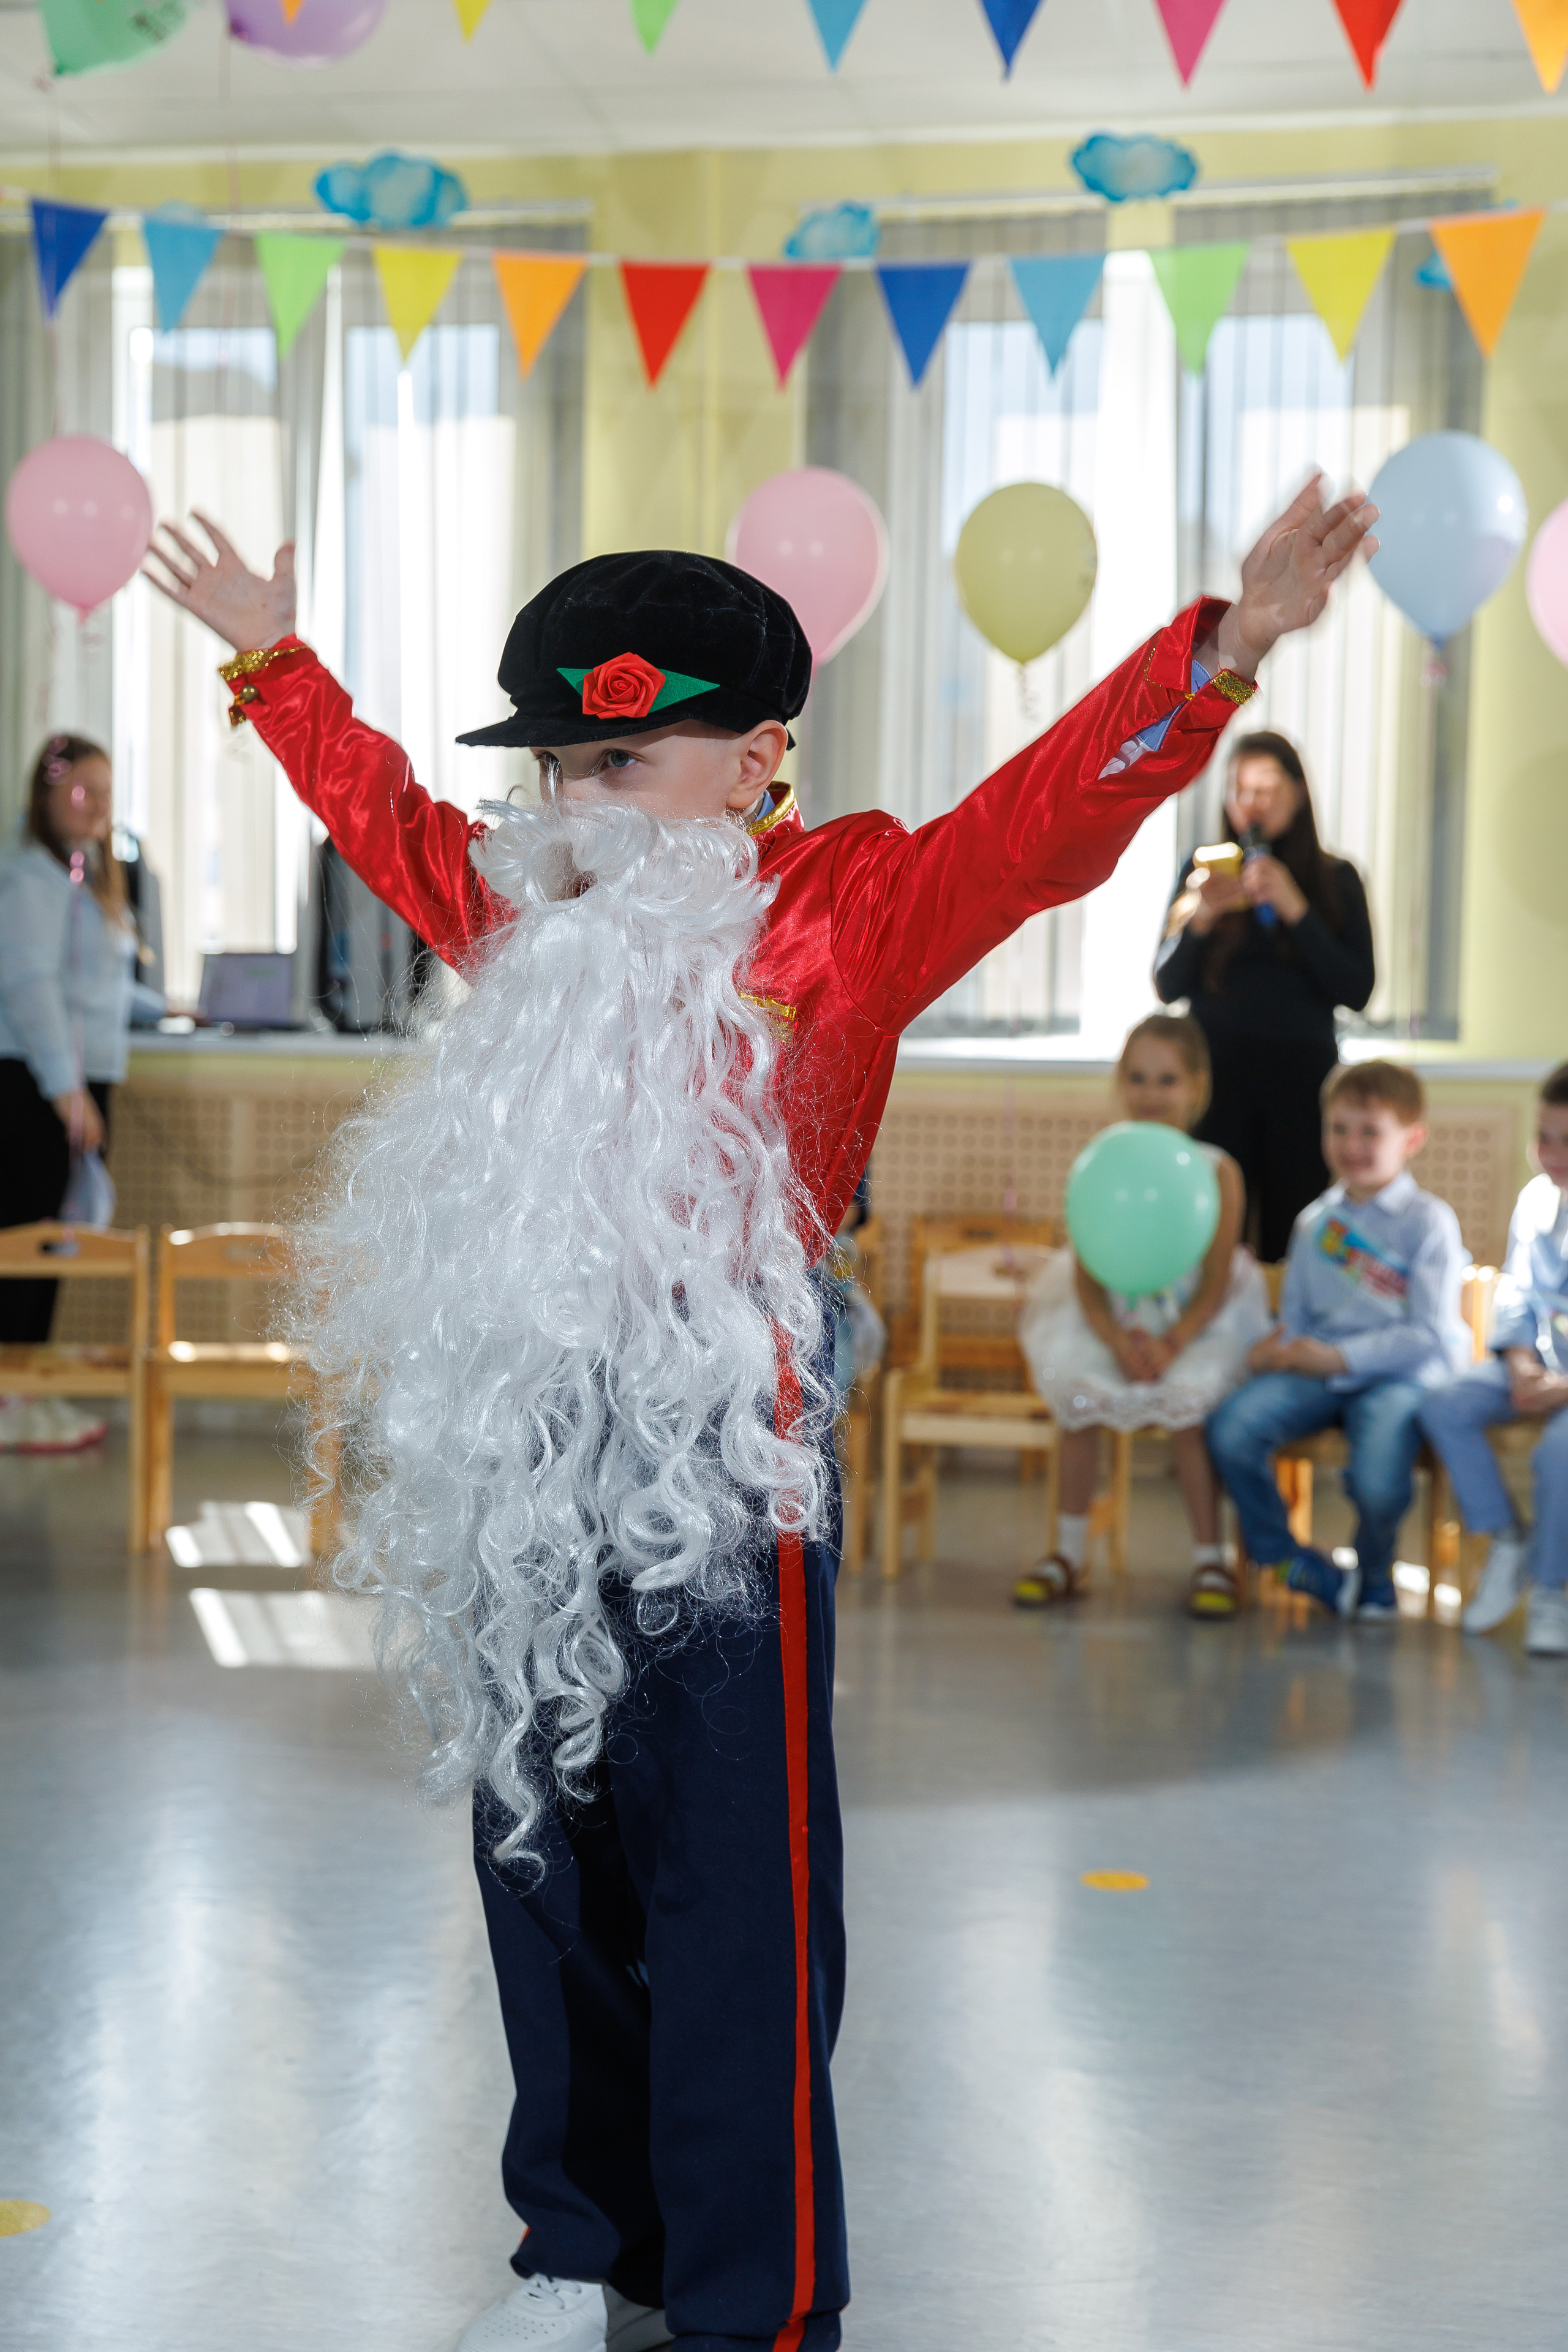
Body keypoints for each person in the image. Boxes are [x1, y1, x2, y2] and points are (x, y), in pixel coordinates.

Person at [145, 473, 1375, 2352]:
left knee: (736, 1897)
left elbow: (1043, 819)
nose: (575, 804)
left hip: (724, 1462)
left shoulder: (853, 903)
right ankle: (585, 2253)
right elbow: (382, 811)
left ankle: (752, 2306)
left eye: (621, 761)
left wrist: (1216, 656)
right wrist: (270, 658)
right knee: (541, 1866)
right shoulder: (523, 906)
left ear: (756, 758)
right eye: (558, 764)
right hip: (525, 1465)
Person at [1014, 1013, 1268, 1619]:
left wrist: (1173, 1342)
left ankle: (1209, 1557)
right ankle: (1069, 1552)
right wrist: (1115, 1340)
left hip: (1195, 1326)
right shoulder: (1101, 1162)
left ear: (1196, 1087)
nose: (1151, 1094)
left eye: (1167, 1080)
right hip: (1114, 1323)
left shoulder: (1217, 1170)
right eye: (1137, 1078)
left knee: (1187, 1413)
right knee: (1078, 1405)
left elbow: (1217, 1278)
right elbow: (1086, 1272)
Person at [1206, 1059, 1468, 1622]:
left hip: (1398, 1379)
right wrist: (1273, 1350)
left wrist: (1339, 1357)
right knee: (1232, 1428)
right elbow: (1296, 1319)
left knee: (1377, 1482)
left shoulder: (1430, 1222)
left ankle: (1373, 1576)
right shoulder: (1314, 1223)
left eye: (1370, 1132)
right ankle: (1289, 1560)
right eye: (1339, 1129)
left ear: (1411, 1139)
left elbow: (1428, 1334)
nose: (1351, 1145)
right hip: (1316, 1373)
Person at [1153, 730, 1375, 1263]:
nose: (1249, 803)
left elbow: (1358, 990)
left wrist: (1298, 911)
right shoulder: (1201, 872)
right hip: (1217, 1082)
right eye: (1238, 789)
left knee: (1292, 1235)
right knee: (1213, 1231)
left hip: (1301, 1085)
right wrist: (1202, 917)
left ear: (1298, 794)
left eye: (1266, 788)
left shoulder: (1338, 879)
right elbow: (1166, 985)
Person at [0, 733, 137, 1452]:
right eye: (83, 791)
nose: (97, 806)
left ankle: (26, 1388)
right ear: (48, 793)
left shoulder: (84, 879)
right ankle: (10, 1397)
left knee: (57, 1243)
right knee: (28, 1244)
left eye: (106, 793)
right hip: (37, 1087)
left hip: (73, 1084)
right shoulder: (31, 878)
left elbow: (97, 985)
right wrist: (66, 1092)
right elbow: (31, 987)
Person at [1420, 1064, 1568, 1657]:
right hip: (1534, 1364)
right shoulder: (1535, 1200)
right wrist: (1517, 1362)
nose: (1553, 1155)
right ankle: (1506, 1537)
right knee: (1443, 1403)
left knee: (1558, 1452)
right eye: (1544, 1138)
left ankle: (1552, 1587)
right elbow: (1517, 1292)